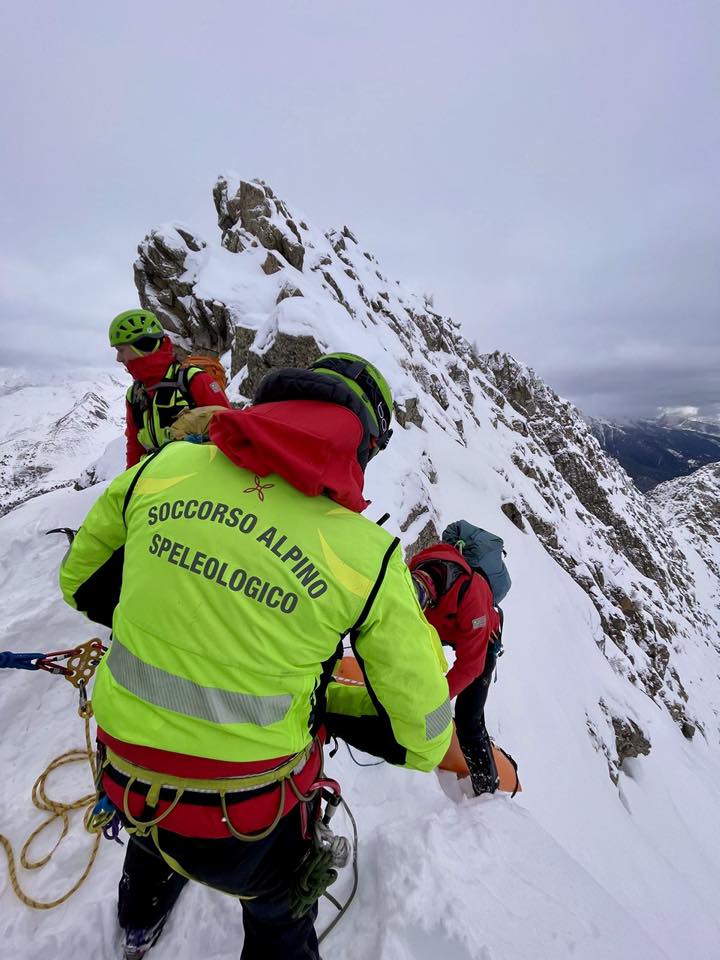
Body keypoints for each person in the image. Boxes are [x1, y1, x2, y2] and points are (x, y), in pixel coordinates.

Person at [59, 351, 452, 960]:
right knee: (279, 915)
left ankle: (138, 925)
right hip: (248, 820)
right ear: (364, 445)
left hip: (127, 778)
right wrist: (323, 701)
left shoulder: (161, 470)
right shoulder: (367, 557)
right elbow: (424, 735)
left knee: (153, 831)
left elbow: (80, 584)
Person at [409, 522, 510, 796]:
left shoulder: (472, 593)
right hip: (440, 629)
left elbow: (470, 665)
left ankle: (487, 789)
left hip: (481, 643)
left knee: (468, 719)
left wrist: (437, 701)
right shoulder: (414, 571)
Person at [109, 308, 231, 468]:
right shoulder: (135, 394)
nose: (118, 358)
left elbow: (230, 429)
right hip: (154, 476)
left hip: (197, 474)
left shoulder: (193, 379)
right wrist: (131, 480)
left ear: (142, 345)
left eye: (121, 350)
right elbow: (134, 445)